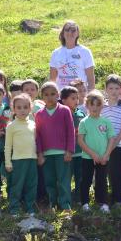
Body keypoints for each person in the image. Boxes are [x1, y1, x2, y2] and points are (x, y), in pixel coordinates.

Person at [35, 82, 75, 212]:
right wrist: (40, 154)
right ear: (42, 97)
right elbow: (38, 136)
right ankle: (53, 203)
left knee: (63, 180)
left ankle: (65, 205)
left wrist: (69, 150)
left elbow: (70, 130)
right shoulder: (39, 114)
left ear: (58, 95)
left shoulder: (64, 110)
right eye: (46, 95)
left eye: (53, 94)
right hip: (46, 154)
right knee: (49, 181)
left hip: (62, 153)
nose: (49, 97)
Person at [77, 90, 117, 213]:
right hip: (88, 158)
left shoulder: (106, 122)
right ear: (87, 105)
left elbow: (111, 140)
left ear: (102, 106)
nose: (95, 107)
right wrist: (93, 154)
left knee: (102, 181)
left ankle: (103, 203)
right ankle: (84, 203)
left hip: (104, 158)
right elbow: (81, 141)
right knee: (86, 180)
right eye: (92, 104)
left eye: (98, 104)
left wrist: (106, 155)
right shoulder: (84, 122)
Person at [4, 94, 38, 216]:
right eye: (19, 107)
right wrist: (8, 162)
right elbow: (8, 146)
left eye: (25, 107)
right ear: (14, 109)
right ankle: (14, 208)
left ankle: (30, 207)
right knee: (17, 186)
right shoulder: (11, 126)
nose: (22, 110)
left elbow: (36, 142)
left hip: (32, 159)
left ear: (30, 108)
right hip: (18, 161)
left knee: (31, 185)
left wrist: (38, 156)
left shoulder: (34, 124)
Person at [101, 74, 121, 206]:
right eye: (111, 88)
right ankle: (103, 201)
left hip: (117, 146)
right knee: (102, 174)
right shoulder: (101, 107)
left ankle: (118, 200)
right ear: (106, 89)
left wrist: (113, 145)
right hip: (102, 145)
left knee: (116, 174)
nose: (114, 91)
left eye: (117, 88)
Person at [49, 20, 96, 91]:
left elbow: (90, 78)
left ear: (77, 33)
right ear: (63, 33)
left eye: (73, 30)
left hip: (80, 95)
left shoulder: (85, 52)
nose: (70, 33)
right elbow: (52, 79)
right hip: (62, 95)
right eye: (67, 30)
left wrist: (90, 96)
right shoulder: (56, 53)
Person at [60, 85, 86, 201]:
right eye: (73, 98)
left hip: (80, 153)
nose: (76, 100)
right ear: (64, 100)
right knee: (65, 177)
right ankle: (65, 199)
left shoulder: (81, 114)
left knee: (80, 177)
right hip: (66, 153)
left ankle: (79, 198)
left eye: (77, 98)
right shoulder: (60, 114)